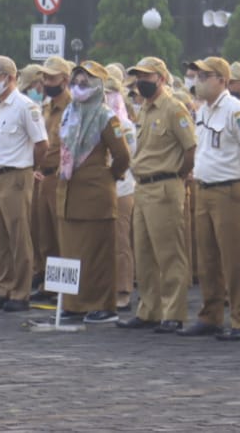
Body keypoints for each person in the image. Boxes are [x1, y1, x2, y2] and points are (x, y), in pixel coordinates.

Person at [184, 55, 240, 340]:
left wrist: (236, 171)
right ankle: (211, 316)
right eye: (197, 76)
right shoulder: (203, 110)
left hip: (229, 191)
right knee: (207, 259)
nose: (198, 82)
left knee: (235, 260)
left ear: (222, 81)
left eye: (205, 77)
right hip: (204, 190)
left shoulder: (234, 110)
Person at [120, 56, 196, 332]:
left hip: (165, 185)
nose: (141, 82)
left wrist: (177, 174)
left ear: (161, 79)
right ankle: (149, 309)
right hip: (142, 186)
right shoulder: (144, 110)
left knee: (169, 253)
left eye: (147, 77)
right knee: (143, 252)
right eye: (139, 76)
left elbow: (190, 149)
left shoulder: (174, 109)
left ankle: (173, 312)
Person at [54, 61, 131, 324]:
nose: (78, 88)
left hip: (95, 194)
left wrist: (108, 177)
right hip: (69, 193)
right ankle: (74, 304)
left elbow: (122, 156)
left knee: (98, 254)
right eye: (75, 82)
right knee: (73, 251)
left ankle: (103, 305)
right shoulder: (69, 113)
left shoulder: (105, 116)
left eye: (85, 83)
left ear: (98, 86)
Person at [0, 55, 47, 312]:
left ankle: (20, 291)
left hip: (16, 175)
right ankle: (3, 287)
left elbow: (42, 145)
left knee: (18, 236)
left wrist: (29, 168)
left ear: (10, 78)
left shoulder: (25, 106)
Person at [29, 56, 70, 298]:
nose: (46, 81)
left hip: (60, 177)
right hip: (42, 176)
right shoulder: (46, 106)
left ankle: (63, 287)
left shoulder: (72, 107)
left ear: (65, 80)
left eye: (51, 77)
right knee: (43, 234)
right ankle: (49, 283)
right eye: (44, 77)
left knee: (61, 234)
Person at [105, 66, 138, 310]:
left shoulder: (125, 125)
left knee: (120, 243)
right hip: (100, 190)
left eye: (109, 93)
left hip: (122, 188)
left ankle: (124, 289)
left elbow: (128, 157)